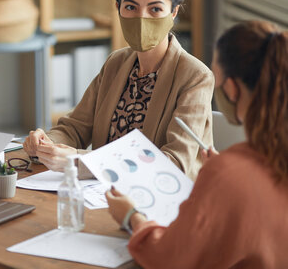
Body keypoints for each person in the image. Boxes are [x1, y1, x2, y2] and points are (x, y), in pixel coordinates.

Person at [106, 20, 288, 268]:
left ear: (232, 89)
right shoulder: (240, 169)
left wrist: (130, 216)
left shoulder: (229, 173)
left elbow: (167, 258)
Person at [24, 0, 213, 180]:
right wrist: (46, 143)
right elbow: (75, 128)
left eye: (155, 9)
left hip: (161, 201)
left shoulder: (195, 77)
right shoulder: (116, 63)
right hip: (103, 193)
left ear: (173, 13)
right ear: (118, 9)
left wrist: (78, 161)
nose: (142, 18)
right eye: (131, 7)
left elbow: (173, 164)